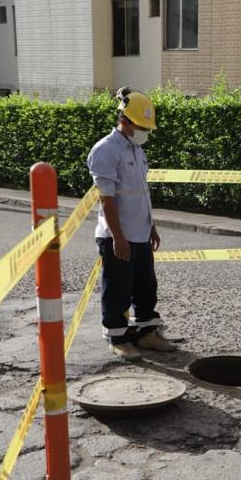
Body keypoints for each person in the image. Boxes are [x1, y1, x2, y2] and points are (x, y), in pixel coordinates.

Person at [87, 88, 176, 360]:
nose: (144, 132)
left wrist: (151, 227)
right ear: (123, 120)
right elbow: (107, 200)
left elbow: (141, 193)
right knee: (118, 289)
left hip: (139, 232)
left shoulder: (136, 150)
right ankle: (117, 337)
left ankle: (147, 332)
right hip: (118, 236)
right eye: (140, 126)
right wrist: (118, 238)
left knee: (145, 286)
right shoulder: (105, 150)